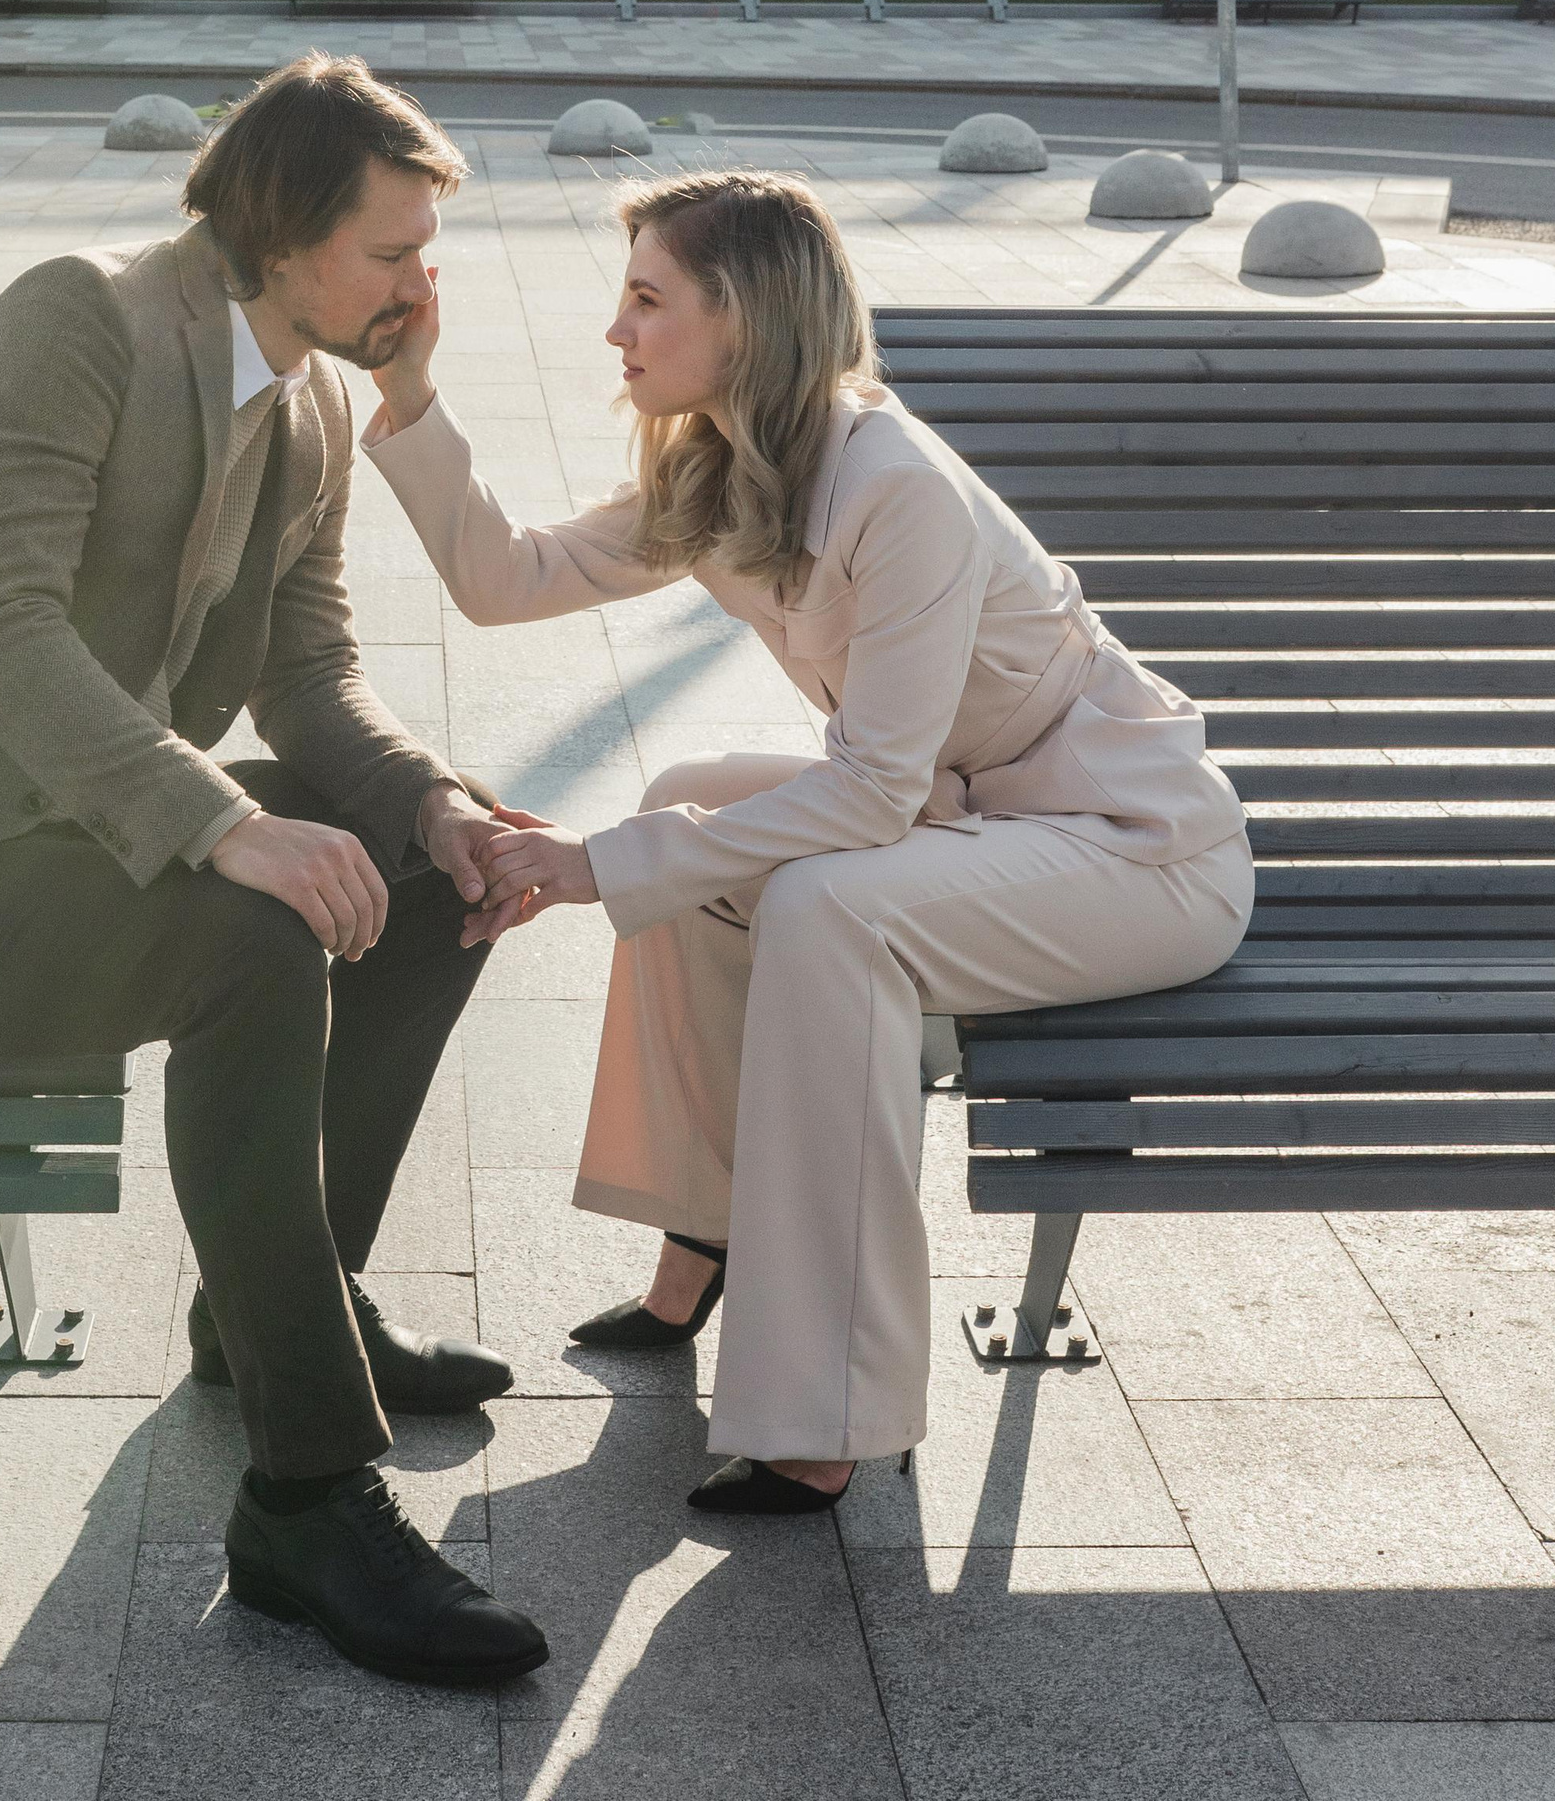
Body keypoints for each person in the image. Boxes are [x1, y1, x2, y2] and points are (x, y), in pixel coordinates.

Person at [0, 55, 548, 1687]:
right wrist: (230, 825)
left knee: (434, 876)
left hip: (65, 836)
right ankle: (306, 1498)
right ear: (284, 232)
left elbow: (311, 674)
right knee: (254, 935)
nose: (422, 285)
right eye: (392, 252)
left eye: (429, 252)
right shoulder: (77, 318)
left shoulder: (305, 399)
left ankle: (278, 1311)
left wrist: (436, 807)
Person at [363, 167, 1254, 1516]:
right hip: (985, 814)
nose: (617, 333)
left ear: (746, 318)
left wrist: (588, 868)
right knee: (688, 799)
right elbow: (505, 583)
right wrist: (412, 397)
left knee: (827, 909)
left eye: (648, 299)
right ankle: (699, 1243)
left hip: (1136, 849)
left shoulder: (898, 491)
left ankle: (828, 1413)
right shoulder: (726, 467)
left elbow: (868, 799)